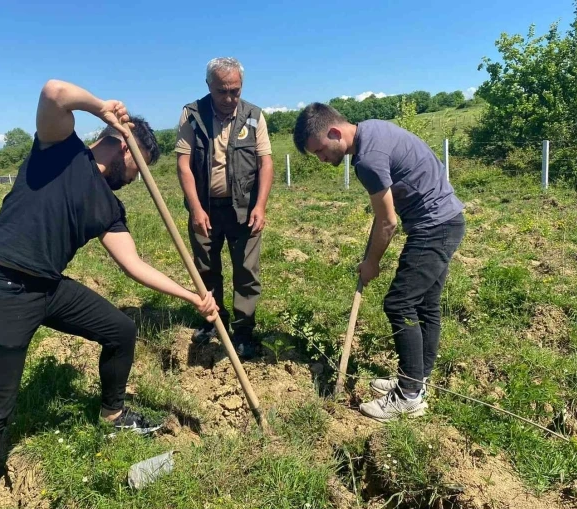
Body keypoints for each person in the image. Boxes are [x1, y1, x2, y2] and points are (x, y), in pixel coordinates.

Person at [0, 79, 218, 509]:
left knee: (120, 329)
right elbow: (53, 91)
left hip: (46, 286)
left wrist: (191, 296)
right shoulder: (60, 148)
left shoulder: (109, 206)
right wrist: (102, 108)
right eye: (137, 168)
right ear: (122, 148)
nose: (135, 178)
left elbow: (135, 265)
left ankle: (113, 414)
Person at [293, 103, 465, 422]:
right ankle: (416, 379)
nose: (322, 159)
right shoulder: (371, 129)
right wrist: (368, 256)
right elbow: (382, 215)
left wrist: (372, 263)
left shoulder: (368, 161)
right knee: (425, 305)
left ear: (334, 132)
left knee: (400, 304)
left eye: (320, 151)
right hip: (446, 219)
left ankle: (409, 396)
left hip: (435, 227)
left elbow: (387, 223)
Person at [175, 57, 274, 358]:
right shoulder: (192, 115)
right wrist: (195, 208)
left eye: (235, 91)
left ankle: (244, 330)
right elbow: (183, 164)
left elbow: (265, 162)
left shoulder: (254, 116)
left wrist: (260, 205)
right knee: (206, 268)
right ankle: (213, 321)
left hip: (244, 209)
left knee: (246, 270)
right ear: (209, 86)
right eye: (223, 91)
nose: (230, 98)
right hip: (205, 208)